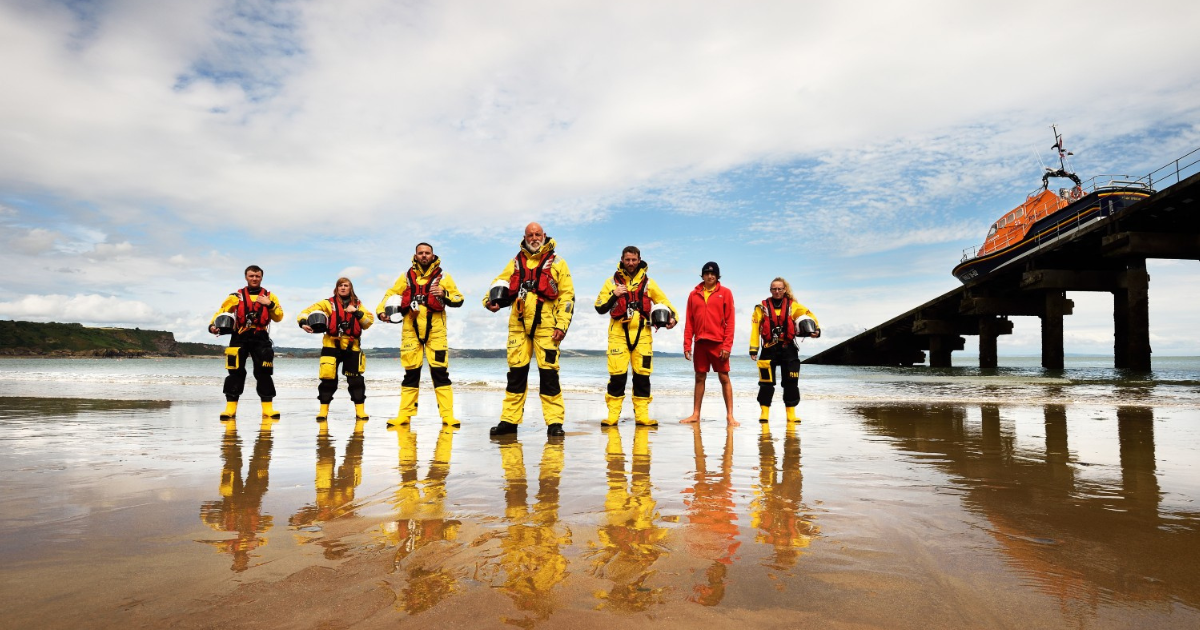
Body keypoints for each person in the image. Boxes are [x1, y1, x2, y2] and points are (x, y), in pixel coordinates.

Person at [483, 222, 575, 437]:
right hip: (518, 326)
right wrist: (488, 302)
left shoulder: (559, 263)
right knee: (515, 376)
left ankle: (555, 423)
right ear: (524, 237)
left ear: (544, 235)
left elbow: (567, 297)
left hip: (547, 328)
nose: (534, 238)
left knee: (549, 376)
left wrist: (562, 326)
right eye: (530, 235)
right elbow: (499, 282)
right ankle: (509, 421)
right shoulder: (515, 262)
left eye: (537, 234)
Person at [376, 243, 465, 426]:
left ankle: (447, 416)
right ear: (415, 256)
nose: (424, 256)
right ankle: (404, 416)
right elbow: (390, 295)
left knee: (440, 372)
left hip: (436, 332)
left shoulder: (444, 277)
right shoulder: (406, 277)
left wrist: (444, 292)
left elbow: (458, 298)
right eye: (421, 253)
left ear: (433, 255)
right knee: (411, 374)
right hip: (410, 331)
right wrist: (381, 312)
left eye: (427, 253)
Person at [594, 246, 677, 426]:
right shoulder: (611, 282)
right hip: (618, 335)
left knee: (642, 376)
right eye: (627, 260)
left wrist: (673, 318)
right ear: (622, 260)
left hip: (643, 335)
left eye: (633, 260)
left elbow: (664, 302)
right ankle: (612, 416)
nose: (630, 263)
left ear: (639, 260)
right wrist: (613, 295)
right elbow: (599, 307)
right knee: (617, 377)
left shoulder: (649, 283)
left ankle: (642, 416)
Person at [209, 265, 284, 420]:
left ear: (261, 277)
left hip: (260, 336)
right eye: (251, 276)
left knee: (264, 372)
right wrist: (212, 326)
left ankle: (268, 409)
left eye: (257, 276)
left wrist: (269, 304)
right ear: (246, 277)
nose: (254, 279)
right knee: (235, 372)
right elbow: (222, 312)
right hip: (239, 336)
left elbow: (279, 317)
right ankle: (230, 409)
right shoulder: (235, 297)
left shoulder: (270, 296)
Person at [297, 277, 374, 421]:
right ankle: (323, 411)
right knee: (327, 380)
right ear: (336, 288)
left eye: (346, 286)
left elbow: (368, 322)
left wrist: (356, 312)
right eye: (340, 286)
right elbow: (305, 312)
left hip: (352, 346)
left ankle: (360, 411)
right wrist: (302, 322)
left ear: (350, 288)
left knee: (356, 380)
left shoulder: (358, 304)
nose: (343, 288)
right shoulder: (327, 304)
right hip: (330, 345)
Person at [749, 277, 820, 423]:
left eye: (779, 289)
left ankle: (791, 414)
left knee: (791, 382)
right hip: (769, 348)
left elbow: (810, 315)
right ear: (770, 290)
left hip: (788, 348)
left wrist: (815, 330)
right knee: (766, 382)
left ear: (784, 290)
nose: (776, 291)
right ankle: (764, 412)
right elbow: (755, 329)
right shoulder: (760, 308)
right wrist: (754, 349)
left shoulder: (793, 306)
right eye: (774, 289)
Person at [680, 262, 737, 426]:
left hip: (718, 343)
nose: (710, 276)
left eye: (713, 274)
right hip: (700, 343)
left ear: (717, 276)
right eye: (706, 273)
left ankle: (730, 416)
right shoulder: (693, 294)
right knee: (699, 377)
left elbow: (730, 321)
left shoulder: (725, 293)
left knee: (724, 377)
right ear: (702, 275)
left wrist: (727, 346)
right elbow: (689, 322)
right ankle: (696, 414)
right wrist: (687, 345)